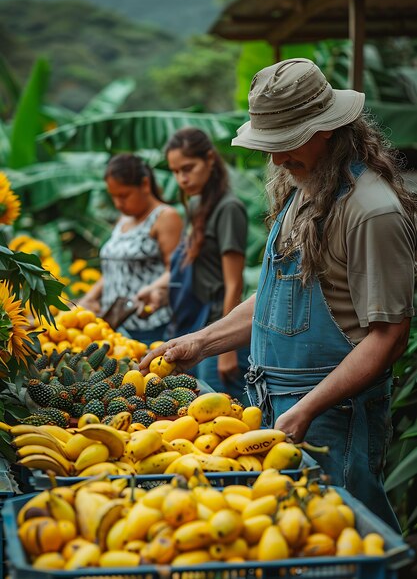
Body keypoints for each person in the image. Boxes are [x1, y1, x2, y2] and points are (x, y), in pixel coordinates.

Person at [140, 58, 417, 531]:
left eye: (286, 143)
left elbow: (388, 337)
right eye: (270, 146)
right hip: (283, 411)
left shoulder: (371, 211)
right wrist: (201, 342)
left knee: (348, 542)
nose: (276, 160)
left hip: (332, 418)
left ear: (327, 129)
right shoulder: (305, 190)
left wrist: (305, 409)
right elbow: (274, 299)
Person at [137, 127, 249, 401]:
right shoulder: (199, 207)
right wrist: (159, 289)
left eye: (188, 168)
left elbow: (233, 282)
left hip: (217, 327)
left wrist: (227, 350)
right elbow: (190, 266)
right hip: (195, 326)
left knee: (221, 410)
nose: (182, 179)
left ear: (210, 159)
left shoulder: (228, 208)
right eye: (176, 172)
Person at [79, 152, 183, 346]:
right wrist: (89, 299)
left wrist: (152, 288)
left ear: (144, 184)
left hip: (148, 327)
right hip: (113, 324)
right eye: (113, 197)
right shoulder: (124, 220)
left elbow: (176, 269)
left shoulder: (165, 217)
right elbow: (114, 269)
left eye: (124, 195)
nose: (118, 204)